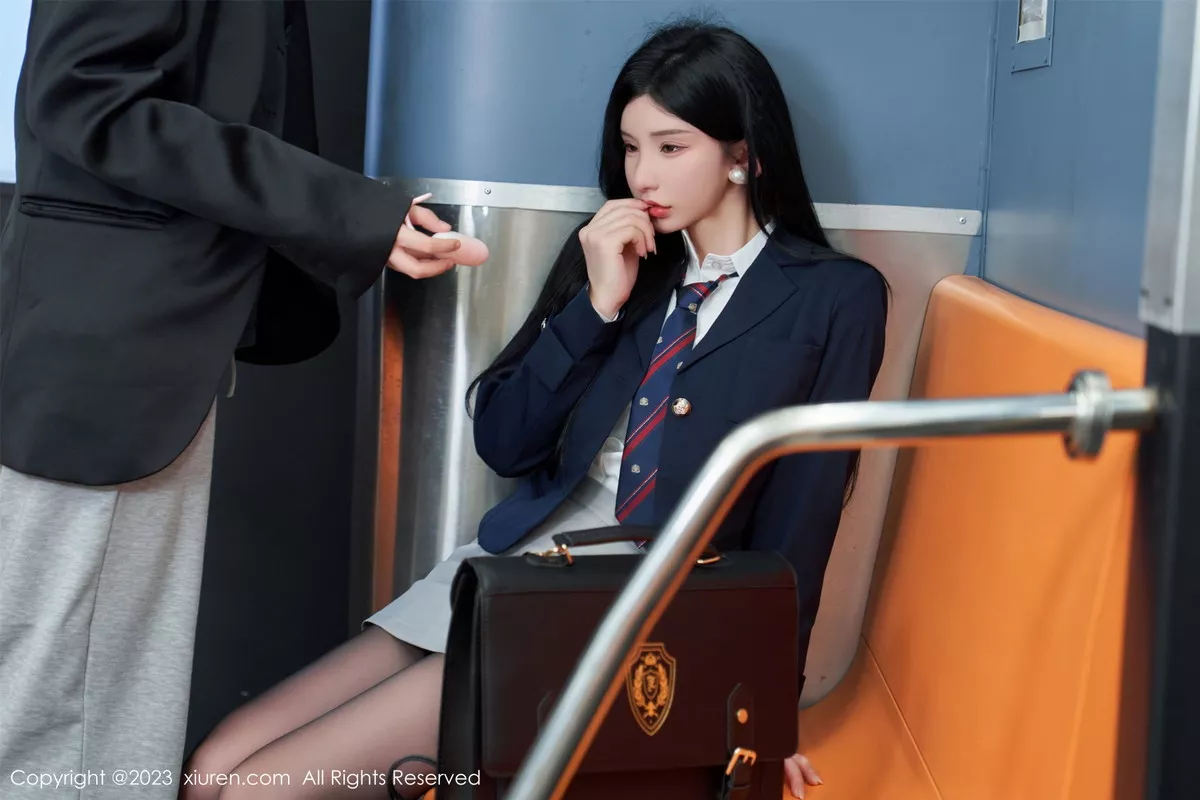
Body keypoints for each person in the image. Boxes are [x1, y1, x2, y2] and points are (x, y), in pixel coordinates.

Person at [181, 19, 888, 800]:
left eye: (670, 147)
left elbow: (801, 520)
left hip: (635, 607)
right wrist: (597, 307)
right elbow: (505, 441)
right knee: (211, 771)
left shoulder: (834, 297)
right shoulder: (612, 251)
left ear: (742, 156)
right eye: (630, 147)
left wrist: (767, 710)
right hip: (517, 566)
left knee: (261, 789)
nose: (642, 174)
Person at [0, 1, 468, 798]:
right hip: (110, 356)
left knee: (94, 714)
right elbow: (85, 94)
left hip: (141, 344)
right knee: (70, 724)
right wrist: (345, 211)